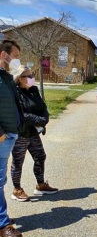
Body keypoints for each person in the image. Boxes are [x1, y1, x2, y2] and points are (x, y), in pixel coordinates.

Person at [11, 65, 58, 202]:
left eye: (32, 75)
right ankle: (17, 189)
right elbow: (20, 113)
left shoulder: (34, 90)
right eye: (29, 76)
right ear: (20, 79)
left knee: (40, 156)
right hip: (21, 133)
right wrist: (38, 120)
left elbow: (42, 106)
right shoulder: (15, 93)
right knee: (18, 162)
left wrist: (45, 118)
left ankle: (40, 185)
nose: (32, 78)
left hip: (33, 132)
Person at [0, 40, 24, 237]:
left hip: (9, 133)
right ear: (3, 55)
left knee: (1, 180)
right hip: (2, 135)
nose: (17, 60)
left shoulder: (6, 77)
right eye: (15, 55)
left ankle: (1, 216)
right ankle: (2, 224)